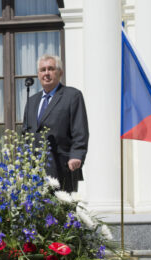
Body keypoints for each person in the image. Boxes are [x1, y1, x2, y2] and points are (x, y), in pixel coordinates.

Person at [22, 54, 89, 192]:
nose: (46, 73)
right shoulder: (32, 101)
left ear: (60, 73)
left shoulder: (72, 96)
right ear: (38, 74)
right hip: (34, 171)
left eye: (51, 69)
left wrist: (77, 155)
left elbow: (80, 130)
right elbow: (25, 133)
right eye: (42, 70)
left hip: (62, 168)